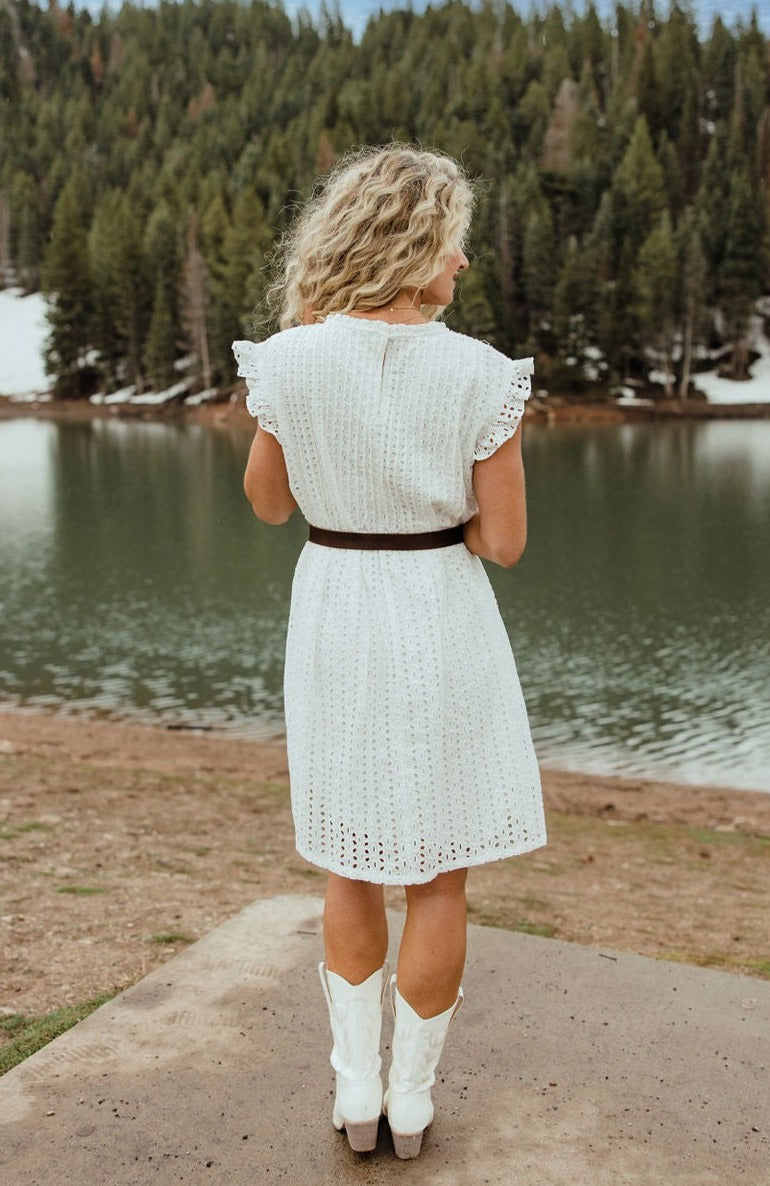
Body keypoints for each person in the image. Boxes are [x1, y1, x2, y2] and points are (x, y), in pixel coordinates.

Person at [233, 144, 546, 1159]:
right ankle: (411, 1104)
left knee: (346, 863)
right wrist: (439, 523)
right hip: (438, 615)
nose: (462, 265)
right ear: (412, 245)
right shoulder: (479, 374)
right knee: (439, 877)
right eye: (454, 242)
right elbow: (502, 543)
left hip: (335, 612)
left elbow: (269, 504)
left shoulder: (290, 360)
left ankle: (355, 1094)